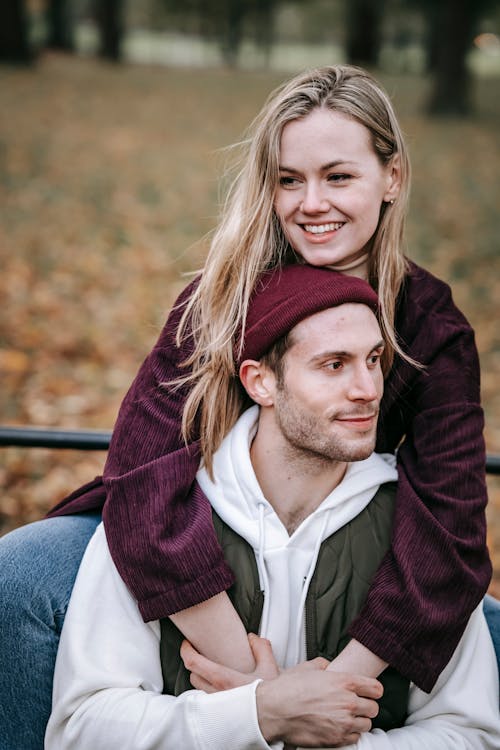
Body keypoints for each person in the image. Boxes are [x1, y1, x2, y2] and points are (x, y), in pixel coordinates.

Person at [1, 64, 499, 749]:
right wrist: (259, 689)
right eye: (289, 180)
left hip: (357, 539)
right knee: (21, 574)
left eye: (338, 176)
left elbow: (450, 521)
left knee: (487, 634)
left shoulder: (431, 325)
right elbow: (144, 470)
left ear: (392, 178)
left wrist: (337, 699)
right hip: (201, 528)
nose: (311, 203)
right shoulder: (224, 294)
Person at [45, 265, 500, 750]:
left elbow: (470, 733)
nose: (368, 390)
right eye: (333, 365)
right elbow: (82, 728)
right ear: (260, 382)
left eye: (373, 360)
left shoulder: (417, 531)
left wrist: (321, 736)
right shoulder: (159, 516)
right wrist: (261, 714)